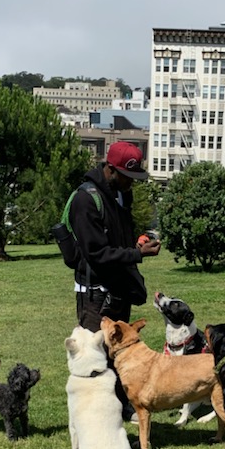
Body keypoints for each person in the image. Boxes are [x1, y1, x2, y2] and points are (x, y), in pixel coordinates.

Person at [68, 141, 160, 331]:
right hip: (95, 295)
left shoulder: (122, 194)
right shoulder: (85, 200)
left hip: (119, 288)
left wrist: (136, 243)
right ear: (110, 169)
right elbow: (97, 253)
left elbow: (119, 236)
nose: (131, 182)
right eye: (127, 176)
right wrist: (137, 254)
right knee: (96, 350)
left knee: (120, 349)